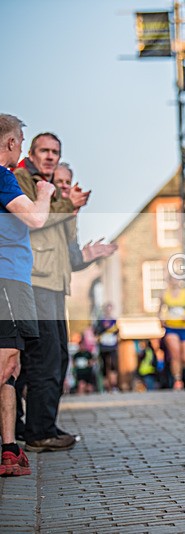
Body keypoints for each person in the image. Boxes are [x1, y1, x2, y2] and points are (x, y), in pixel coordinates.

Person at [14, 132, 89, 453]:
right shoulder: (23, 179)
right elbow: (34, 221)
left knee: (55, 357)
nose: (50, 156)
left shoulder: (49, 187)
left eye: (55, 152)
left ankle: (41, 425)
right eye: (44, 150)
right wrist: (64, 203)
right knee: (44, 359)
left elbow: (66, 246)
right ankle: (38, 431)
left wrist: (72, 210)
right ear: (31, 152)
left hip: (54, 283)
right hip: (35, 280)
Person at [0, 114, 55, 475]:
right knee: (5, 364)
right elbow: (36, 219)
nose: (21, 147)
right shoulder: (2, 176)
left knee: (11, 368)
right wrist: (46, 194)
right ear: (9, 143)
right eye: (20, 141)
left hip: (13, 278)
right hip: (7, 279)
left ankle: (9, 450)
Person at [159, 277, 185, 389]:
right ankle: (177, 380)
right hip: (171, 327)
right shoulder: (164, 294)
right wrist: (161, 320)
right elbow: (159, 311)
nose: (174, 281)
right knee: (176, 355)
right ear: (169, 281)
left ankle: (182, 370)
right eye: (172, 279)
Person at [93, 303, 119, 392]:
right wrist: (104, 328)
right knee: (104, 366)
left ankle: (114, 386)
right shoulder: (100, 321)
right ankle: (105, 387)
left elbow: (117, 332)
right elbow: (96, 332)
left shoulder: (114, 320)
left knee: (113, 366)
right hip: (103, 347)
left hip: (112, 346)